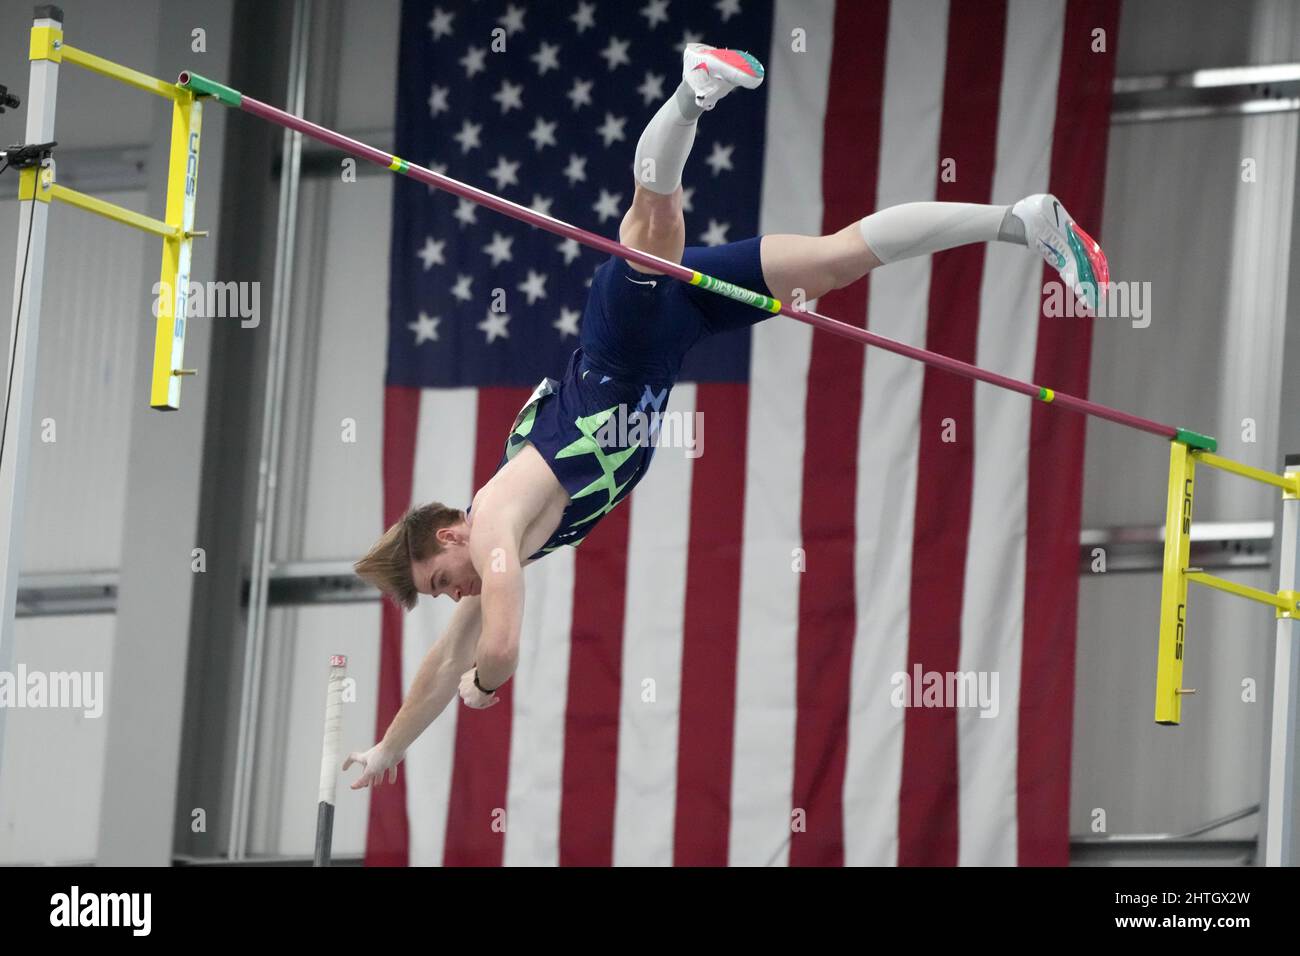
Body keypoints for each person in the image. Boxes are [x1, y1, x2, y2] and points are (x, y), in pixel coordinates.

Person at [344, 42, 1107, 789]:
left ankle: (692, 91)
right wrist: (388, 749)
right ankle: (1021, 220)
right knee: (836, 261)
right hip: (676, 339)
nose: (453, 593)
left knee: (654, 225)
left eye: (441, 580)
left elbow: (498, 647)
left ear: (449, 535)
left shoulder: (493, 527)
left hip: (624, 344)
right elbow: (445, 662)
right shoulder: (497, 536)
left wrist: (488, 688)